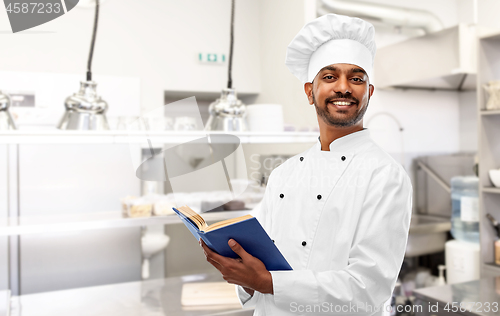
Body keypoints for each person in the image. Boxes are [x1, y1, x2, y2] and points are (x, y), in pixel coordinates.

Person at [200, 13, 412, 315]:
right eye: (329, 77)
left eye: (356, 78)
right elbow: (262, 273)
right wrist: (245, 279)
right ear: (309, 91)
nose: (343, 87)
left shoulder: (385, 176)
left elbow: (369, 289)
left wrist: (269, 282)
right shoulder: (284, 175)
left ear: (369, 93)